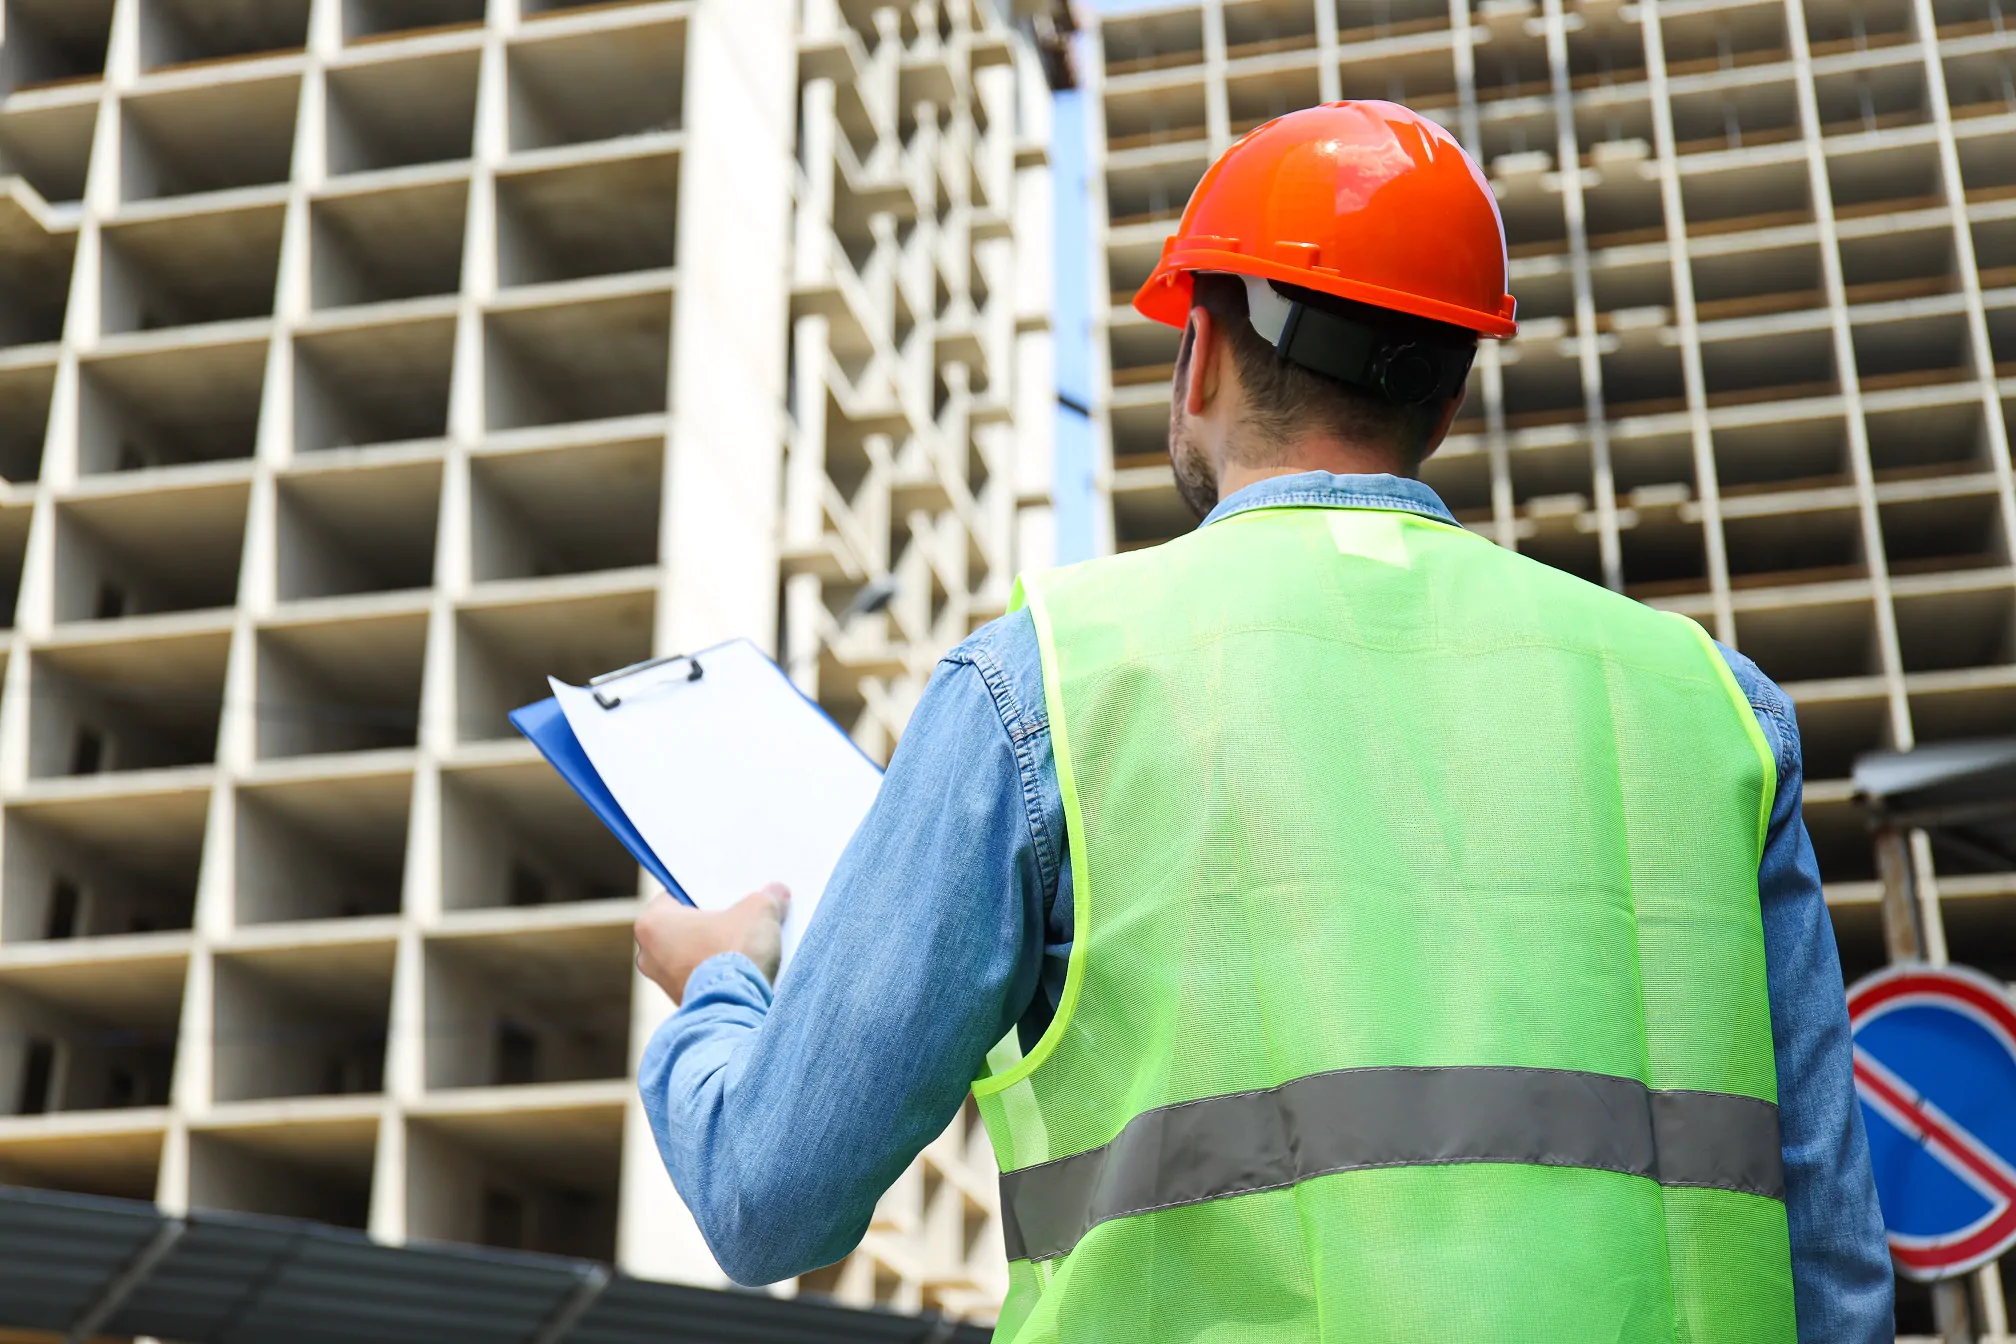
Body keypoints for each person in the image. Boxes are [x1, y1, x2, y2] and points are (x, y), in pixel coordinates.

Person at [632, 102, 1893, 1342]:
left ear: (1205, 353)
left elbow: (768, 1197)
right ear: (1444, 404)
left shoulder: (1048, 685)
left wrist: (722, 983)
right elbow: (1833, 1268)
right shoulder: (1712, 706)